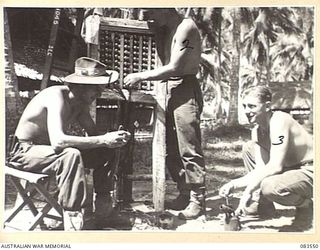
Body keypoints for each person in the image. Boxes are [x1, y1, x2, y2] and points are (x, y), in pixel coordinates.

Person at [7, 57, 131, 230]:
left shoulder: (80, 104)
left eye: (100, 88)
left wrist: (113, 139)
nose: (99, 94)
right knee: (71, 155)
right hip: (24, 151)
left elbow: (95, 136)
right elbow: (59, 142)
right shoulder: (55, 96)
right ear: (81, 86)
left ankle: (104, 212)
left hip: (48, 152)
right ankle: (73, 222)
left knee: (106, 151)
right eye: (95, 89)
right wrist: (103, 139)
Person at [124, 8, 205, 219]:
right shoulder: (164, 28)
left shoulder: (186, 27)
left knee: (188, 146)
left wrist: (140, 76)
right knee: (168, 147)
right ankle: (184, 192)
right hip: (167, 89)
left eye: (151, 13)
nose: (149, 19)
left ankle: (198, 199)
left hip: (185, 88)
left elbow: (176, 66)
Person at [219, 86, 313, 232]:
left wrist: (247, 192)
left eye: (252, 106)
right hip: (292, 170)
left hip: (310, 170)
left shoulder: (280, 120)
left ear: (267, 106)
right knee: (249, 148)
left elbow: (275, 167)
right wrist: (234, 184)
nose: (247, 111)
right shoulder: (257, 131)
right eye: (245, 106)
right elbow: (260, 170)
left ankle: (306, 207)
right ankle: (264, 204)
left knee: (270, 186)